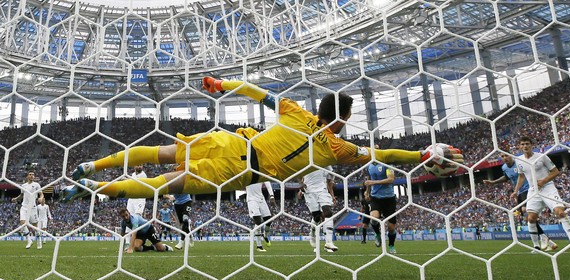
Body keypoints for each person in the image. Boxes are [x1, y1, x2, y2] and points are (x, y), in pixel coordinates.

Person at [61, 77, 463, 202]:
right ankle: (97, 188)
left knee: (163, 151)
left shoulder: (295, 111)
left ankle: (92, 166)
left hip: (229, 141)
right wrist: (422, 152)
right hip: (242, 170)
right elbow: (385, 152)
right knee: (162, 185)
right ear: (342, 119)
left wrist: (221, 84)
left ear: (319, 109)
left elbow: (254, 91)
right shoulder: (337, 149)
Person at [511, 136, 570, 254]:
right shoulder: (519, 160)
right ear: (519, 146)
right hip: (534, 191)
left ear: (531, 145)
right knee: (531, 218)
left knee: (561, 212)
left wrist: (544, 181)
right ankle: (536, 247)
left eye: (527, 143)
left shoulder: (541, 156)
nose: (525, 146)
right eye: (522, 144)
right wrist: (515, 191)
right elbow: (521, 176)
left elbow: (555, 171)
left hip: (548, 188)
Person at [484, 152, 558, 251]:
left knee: (525, 211)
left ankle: (541, 241)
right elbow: (506, 177)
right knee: (528, 219)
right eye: (502, 156)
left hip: (529, 189)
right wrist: (493, 182)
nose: (505, 158)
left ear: (511, 155)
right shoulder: (504, 168)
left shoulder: (519, 162)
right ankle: (543, 240)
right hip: (520, 193)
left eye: (506, 155)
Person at [298, 166, 338, 252]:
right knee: (317, 217)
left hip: (322, 191)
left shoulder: (327, 165)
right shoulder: (306, 162)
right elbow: (298, 174)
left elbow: (329, 182)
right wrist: (301, 188)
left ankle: (329, 242)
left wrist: (332, 195)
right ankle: (312, 234)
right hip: (309, 191)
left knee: (328, 213)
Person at [364, 160, 398, 254]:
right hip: (375, 198)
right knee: (374, 218)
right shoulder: (370, 166)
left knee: (391, 228)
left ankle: (391, 245)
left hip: (389, 199)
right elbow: (369, 178)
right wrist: (367, 191)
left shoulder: (387, 165)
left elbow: (391, 179)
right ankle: (378, 234)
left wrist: (373, 183)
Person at [12, 171, 43, 249]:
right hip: (24, 207)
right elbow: (22, 195)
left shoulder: (36, 185)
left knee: (35, 226)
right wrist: (16, 198)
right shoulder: (23, 185)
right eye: (30, 174)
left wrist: (41, 198)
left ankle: (39, 241)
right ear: (27, 176)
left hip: (33, 207)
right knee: (22, 223)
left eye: (33, 175)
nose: (32, 176)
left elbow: (41, 194)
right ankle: (29, 240)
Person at [245, 181, 277, 252]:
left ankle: (265, 235)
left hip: (261, 199)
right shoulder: (246, 173)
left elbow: (268, 183)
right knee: (258, 221)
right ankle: (259, 246)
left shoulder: (260, 173)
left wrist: (272, 196)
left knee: (268, 221)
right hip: (251, 200)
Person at [123, 165, 147, 248]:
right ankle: (127, 242)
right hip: (131, 199)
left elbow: (134, 183)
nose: (139, 166)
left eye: (141, 165)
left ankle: (139, 239)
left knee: (136, 219)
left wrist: (125, 179)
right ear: (134, 166)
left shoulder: (143, 175)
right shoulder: (133, 174)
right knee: (127, 219)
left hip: (140, 199)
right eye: (137, 165)